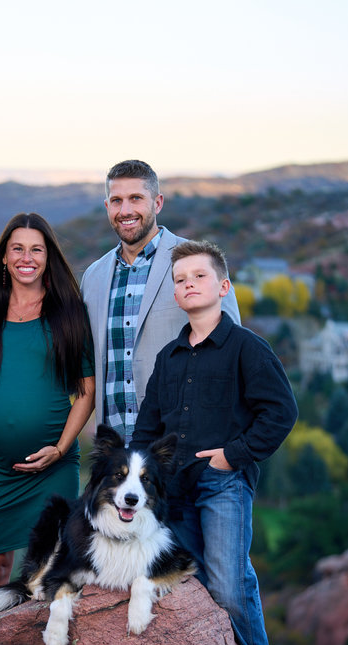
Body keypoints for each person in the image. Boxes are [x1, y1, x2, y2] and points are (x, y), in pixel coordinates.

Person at [131, 240, 298, 645]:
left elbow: (280, 412)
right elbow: (146, 430)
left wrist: (234, 455)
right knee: (194, 589)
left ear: (223, 287)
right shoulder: (169, 357)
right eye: (180, 280)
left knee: (229, 584)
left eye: (198, 277)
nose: (188, 285)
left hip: (223, 484)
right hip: (173, 493)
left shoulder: (246, 347)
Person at [0, 212, 95, 589]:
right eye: (17, 248)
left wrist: (60, 448)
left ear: (48, 256)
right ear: (4, 257)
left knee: (53, 566)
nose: (27, 257)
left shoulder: (69, 313)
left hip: (52, 466)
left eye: (36, 249)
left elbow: (86, 392)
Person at [81, 159, 241, 445]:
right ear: (107, 207)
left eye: (136, 199)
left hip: (186, 449)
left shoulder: (198, 264)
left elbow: (232, 352)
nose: (125, 210)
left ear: (157, 202)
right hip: (119, 458)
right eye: (116, 200)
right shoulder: (93, 278)